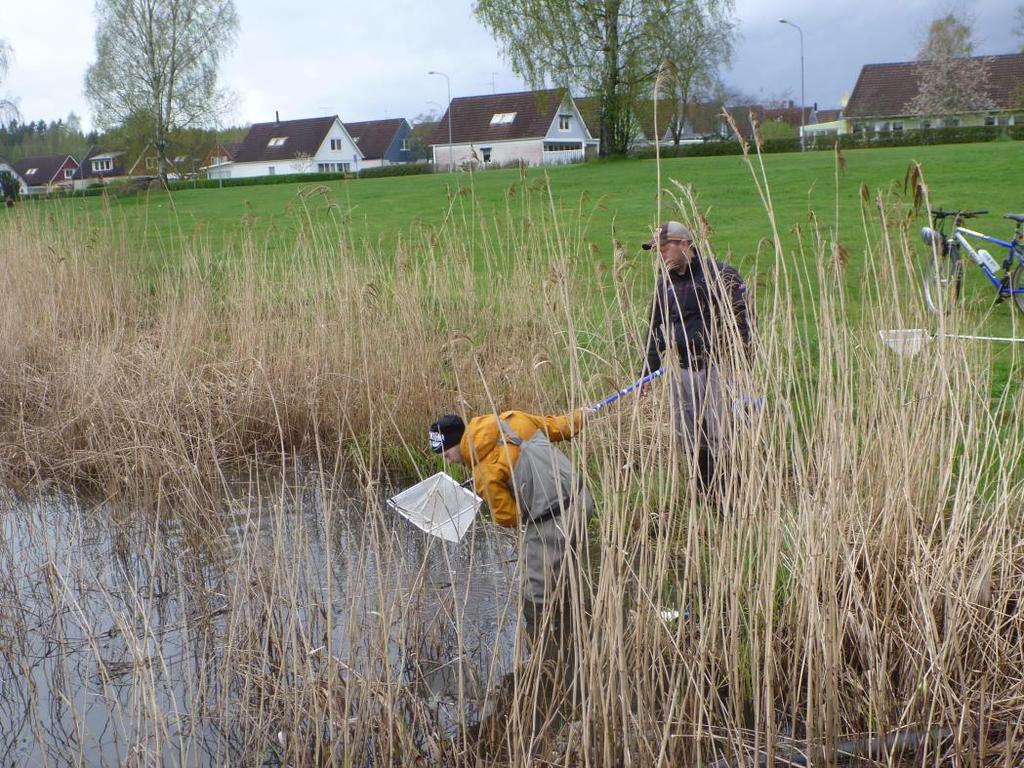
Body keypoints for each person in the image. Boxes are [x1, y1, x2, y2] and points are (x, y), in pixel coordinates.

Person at [428, 408, 593, 637]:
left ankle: (544, 648)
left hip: (552, 523)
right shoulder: (512, 419)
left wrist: (487, 493)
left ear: (457, 443)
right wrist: (581, 416)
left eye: (447, 454)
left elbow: (509, 518)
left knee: (535, 594)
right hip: (583, 501)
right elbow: (559, 427)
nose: (449, 461)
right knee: (565, 575)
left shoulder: (484, 471)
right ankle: (574, 630)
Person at [640, 220, 753, 499]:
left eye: (664, 248)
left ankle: (731, 497)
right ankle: (703, 495)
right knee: (689, 438)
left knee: (721, 436)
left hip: (717, 367)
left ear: (684, 245)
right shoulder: (664, 284)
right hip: (682, 370)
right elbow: (655, 329)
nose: (661, 255)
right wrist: (646, 372)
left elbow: (744, 323)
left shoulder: (720, 274)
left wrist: (743, 367)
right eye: (657, 250)